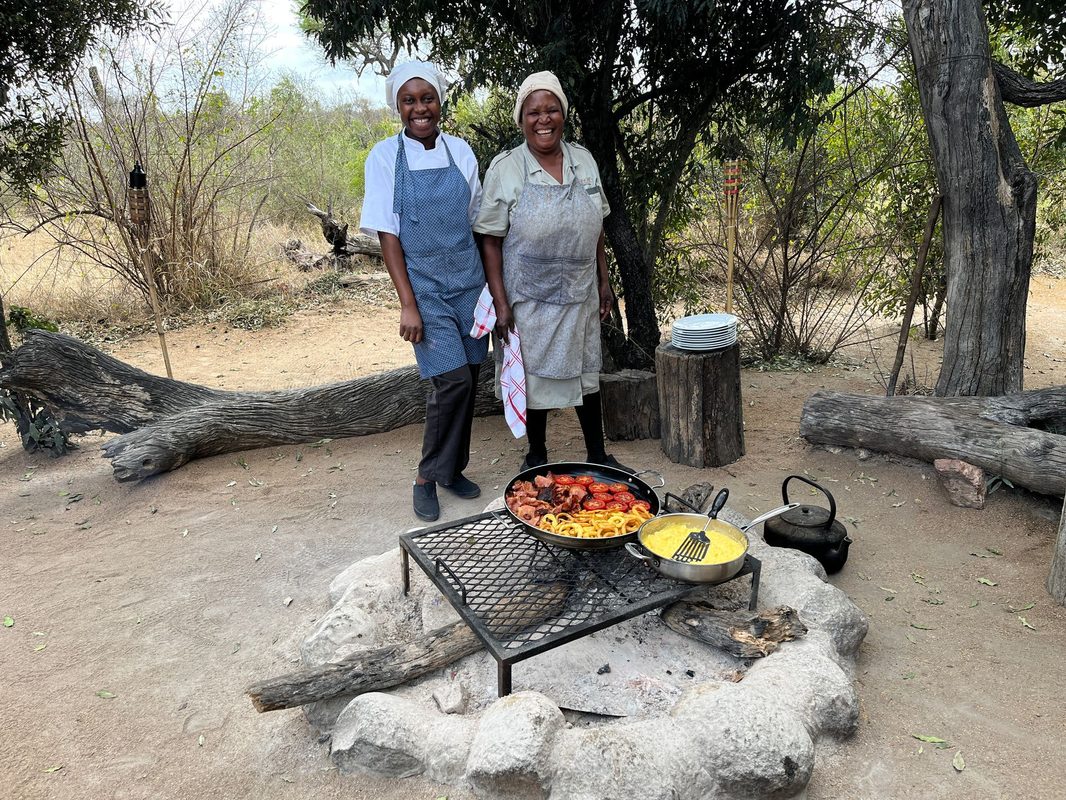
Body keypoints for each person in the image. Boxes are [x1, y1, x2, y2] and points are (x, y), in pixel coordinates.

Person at [475, 70, 630, 473]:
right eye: (533, 112)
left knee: (586, 373)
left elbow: (596, 226)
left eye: (552, 110)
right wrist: (501, 302)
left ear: (563, 114)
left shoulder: (584, 161)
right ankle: (537, 454)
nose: (543, 119)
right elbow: (489, 240)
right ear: (521, 119)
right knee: (533, 378)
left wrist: (604, 281)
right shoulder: (506, 169)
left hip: (580, 290)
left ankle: (597, 454)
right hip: (529, 296)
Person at [360, 61, 488, 521]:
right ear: (397, 106)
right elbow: (387, 235)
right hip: (425, 289)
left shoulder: (461, 152)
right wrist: (407, 304)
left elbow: (480, 224)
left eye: (427, 98)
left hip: (470, 284)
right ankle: (426, 477)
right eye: (409, 101)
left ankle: (452, 470)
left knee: (470, 378)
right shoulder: (383, 158)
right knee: (450, 382)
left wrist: (493, 292)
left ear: (439, 101)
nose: (420, 108)